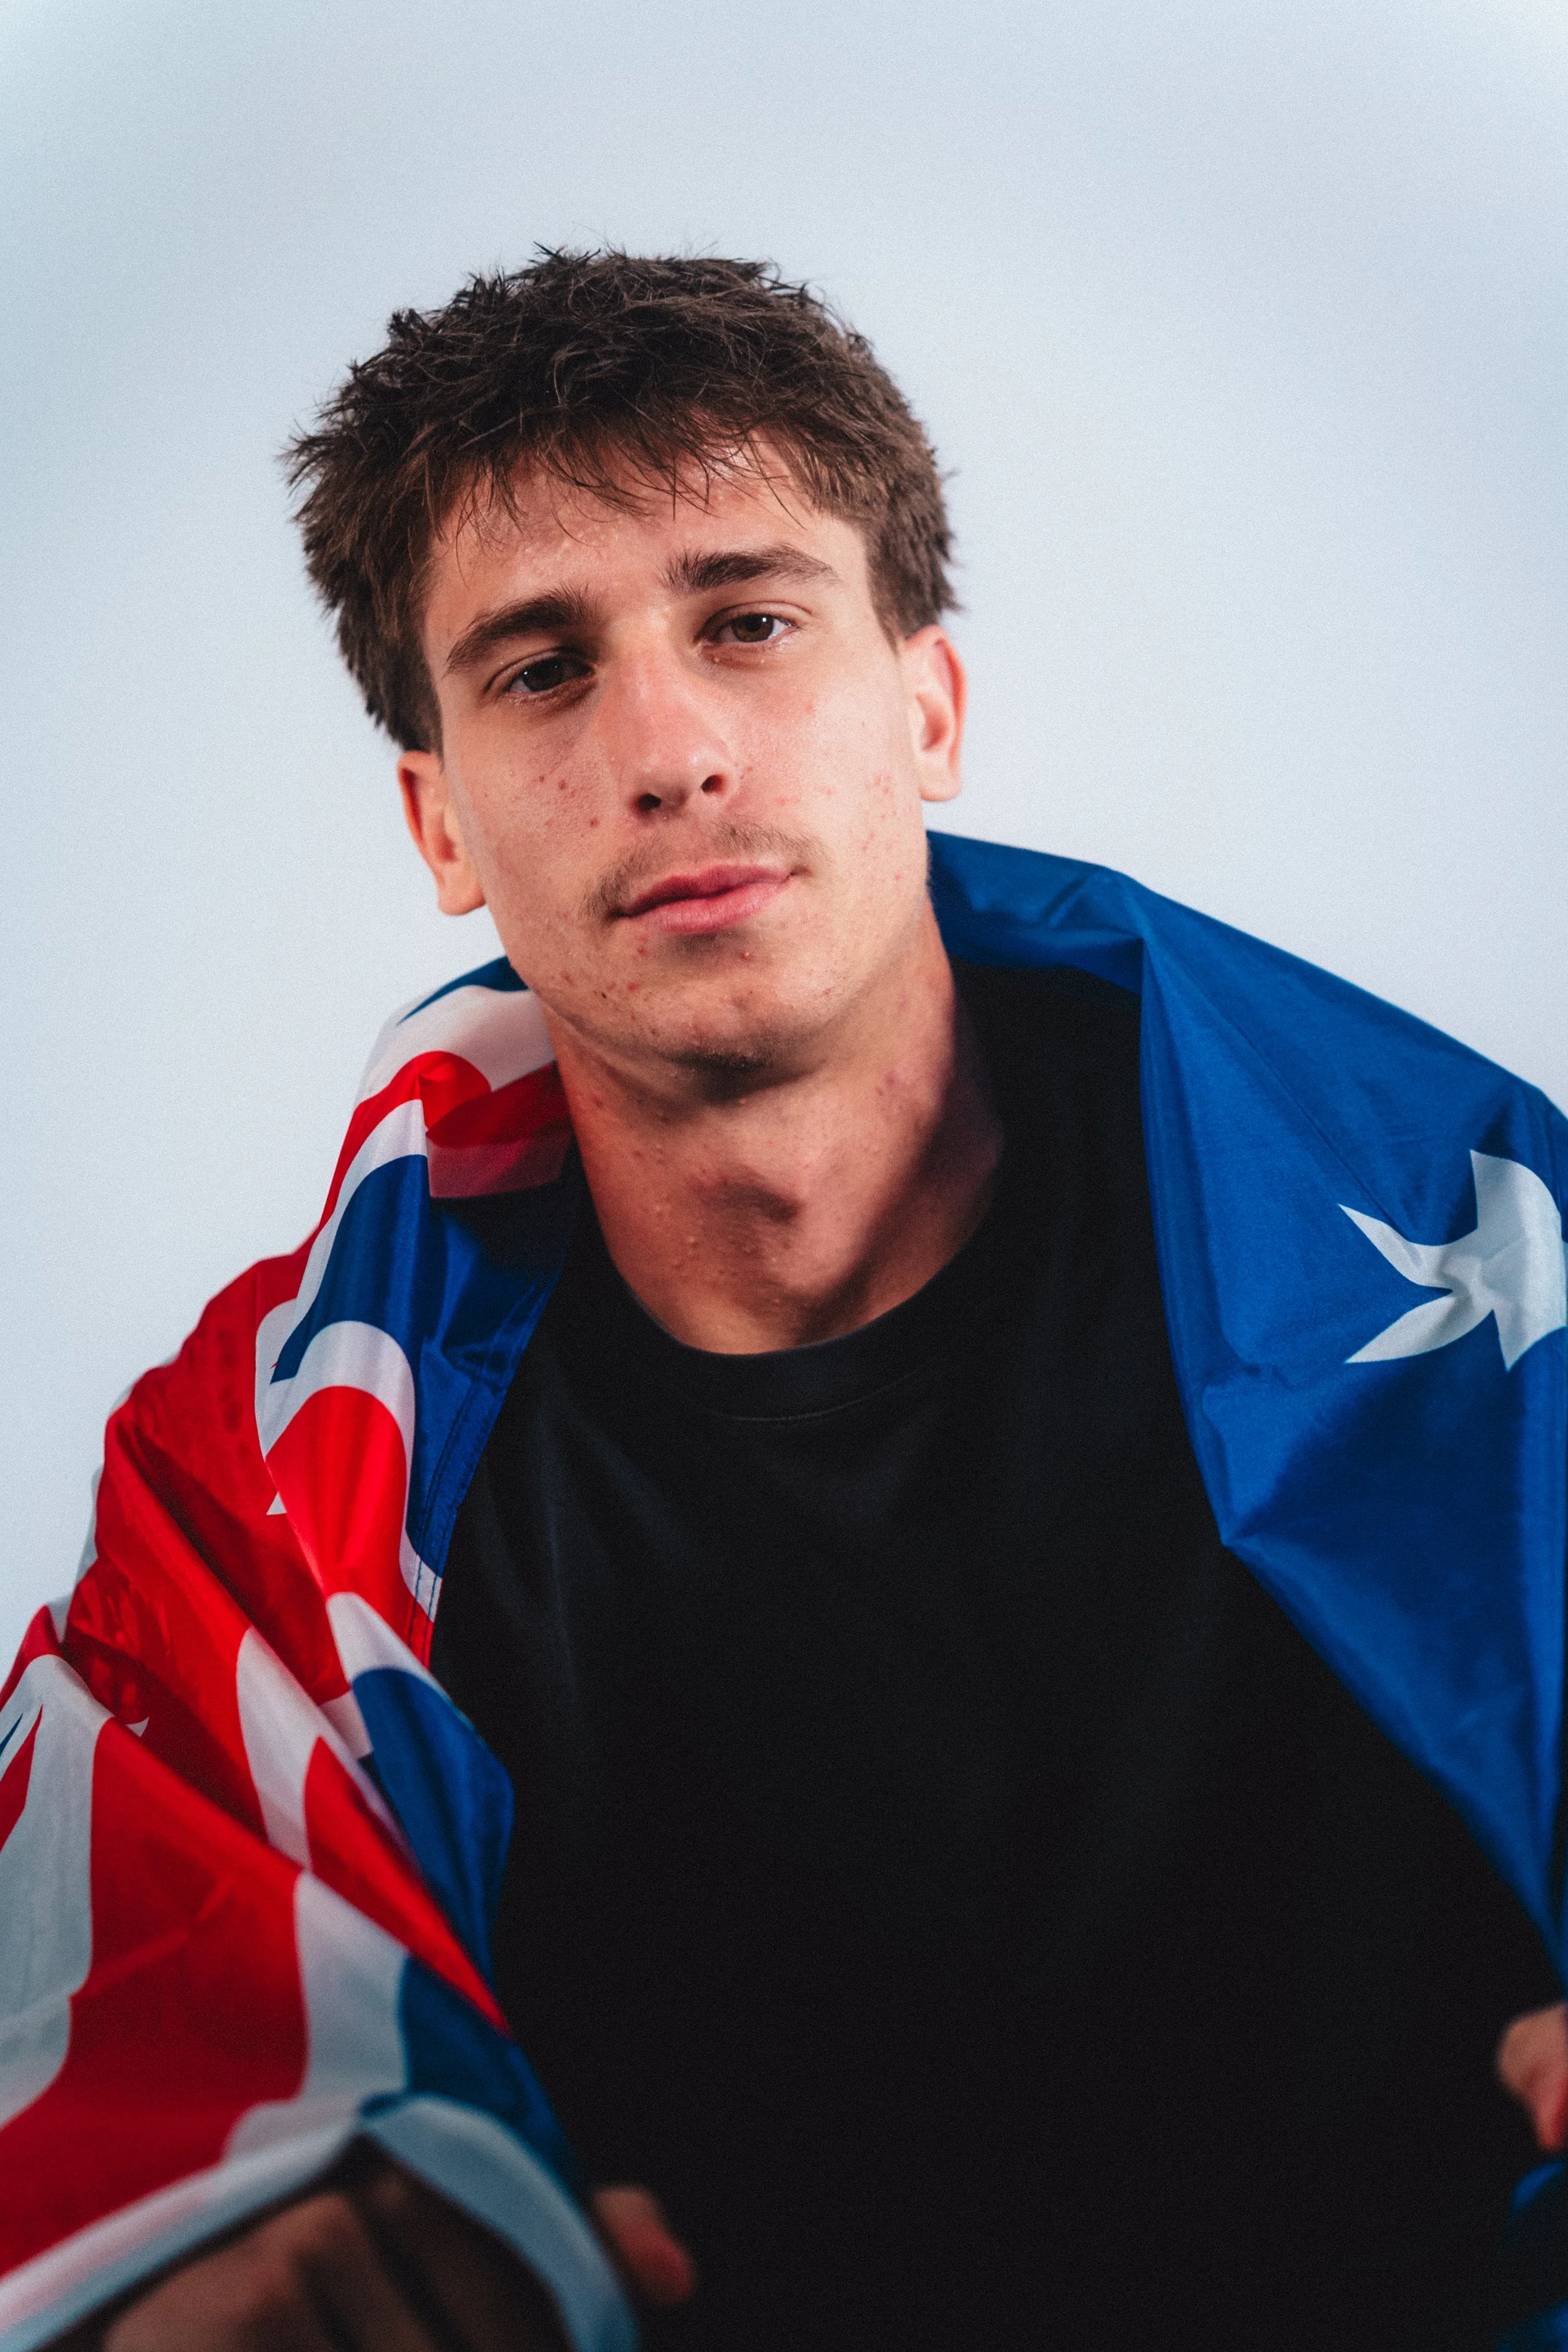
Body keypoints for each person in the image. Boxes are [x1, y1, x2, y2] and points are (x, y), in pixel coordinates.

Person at [13, 251, 1568, 2352]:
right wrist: (167, 2277)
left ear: (926, 705)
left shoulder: (1489, 1292)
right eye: (541, 670)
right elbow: (103, 2077)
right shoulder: (255, 1501)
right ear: (436, 821)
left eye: (747, 621)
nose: (669, 750)